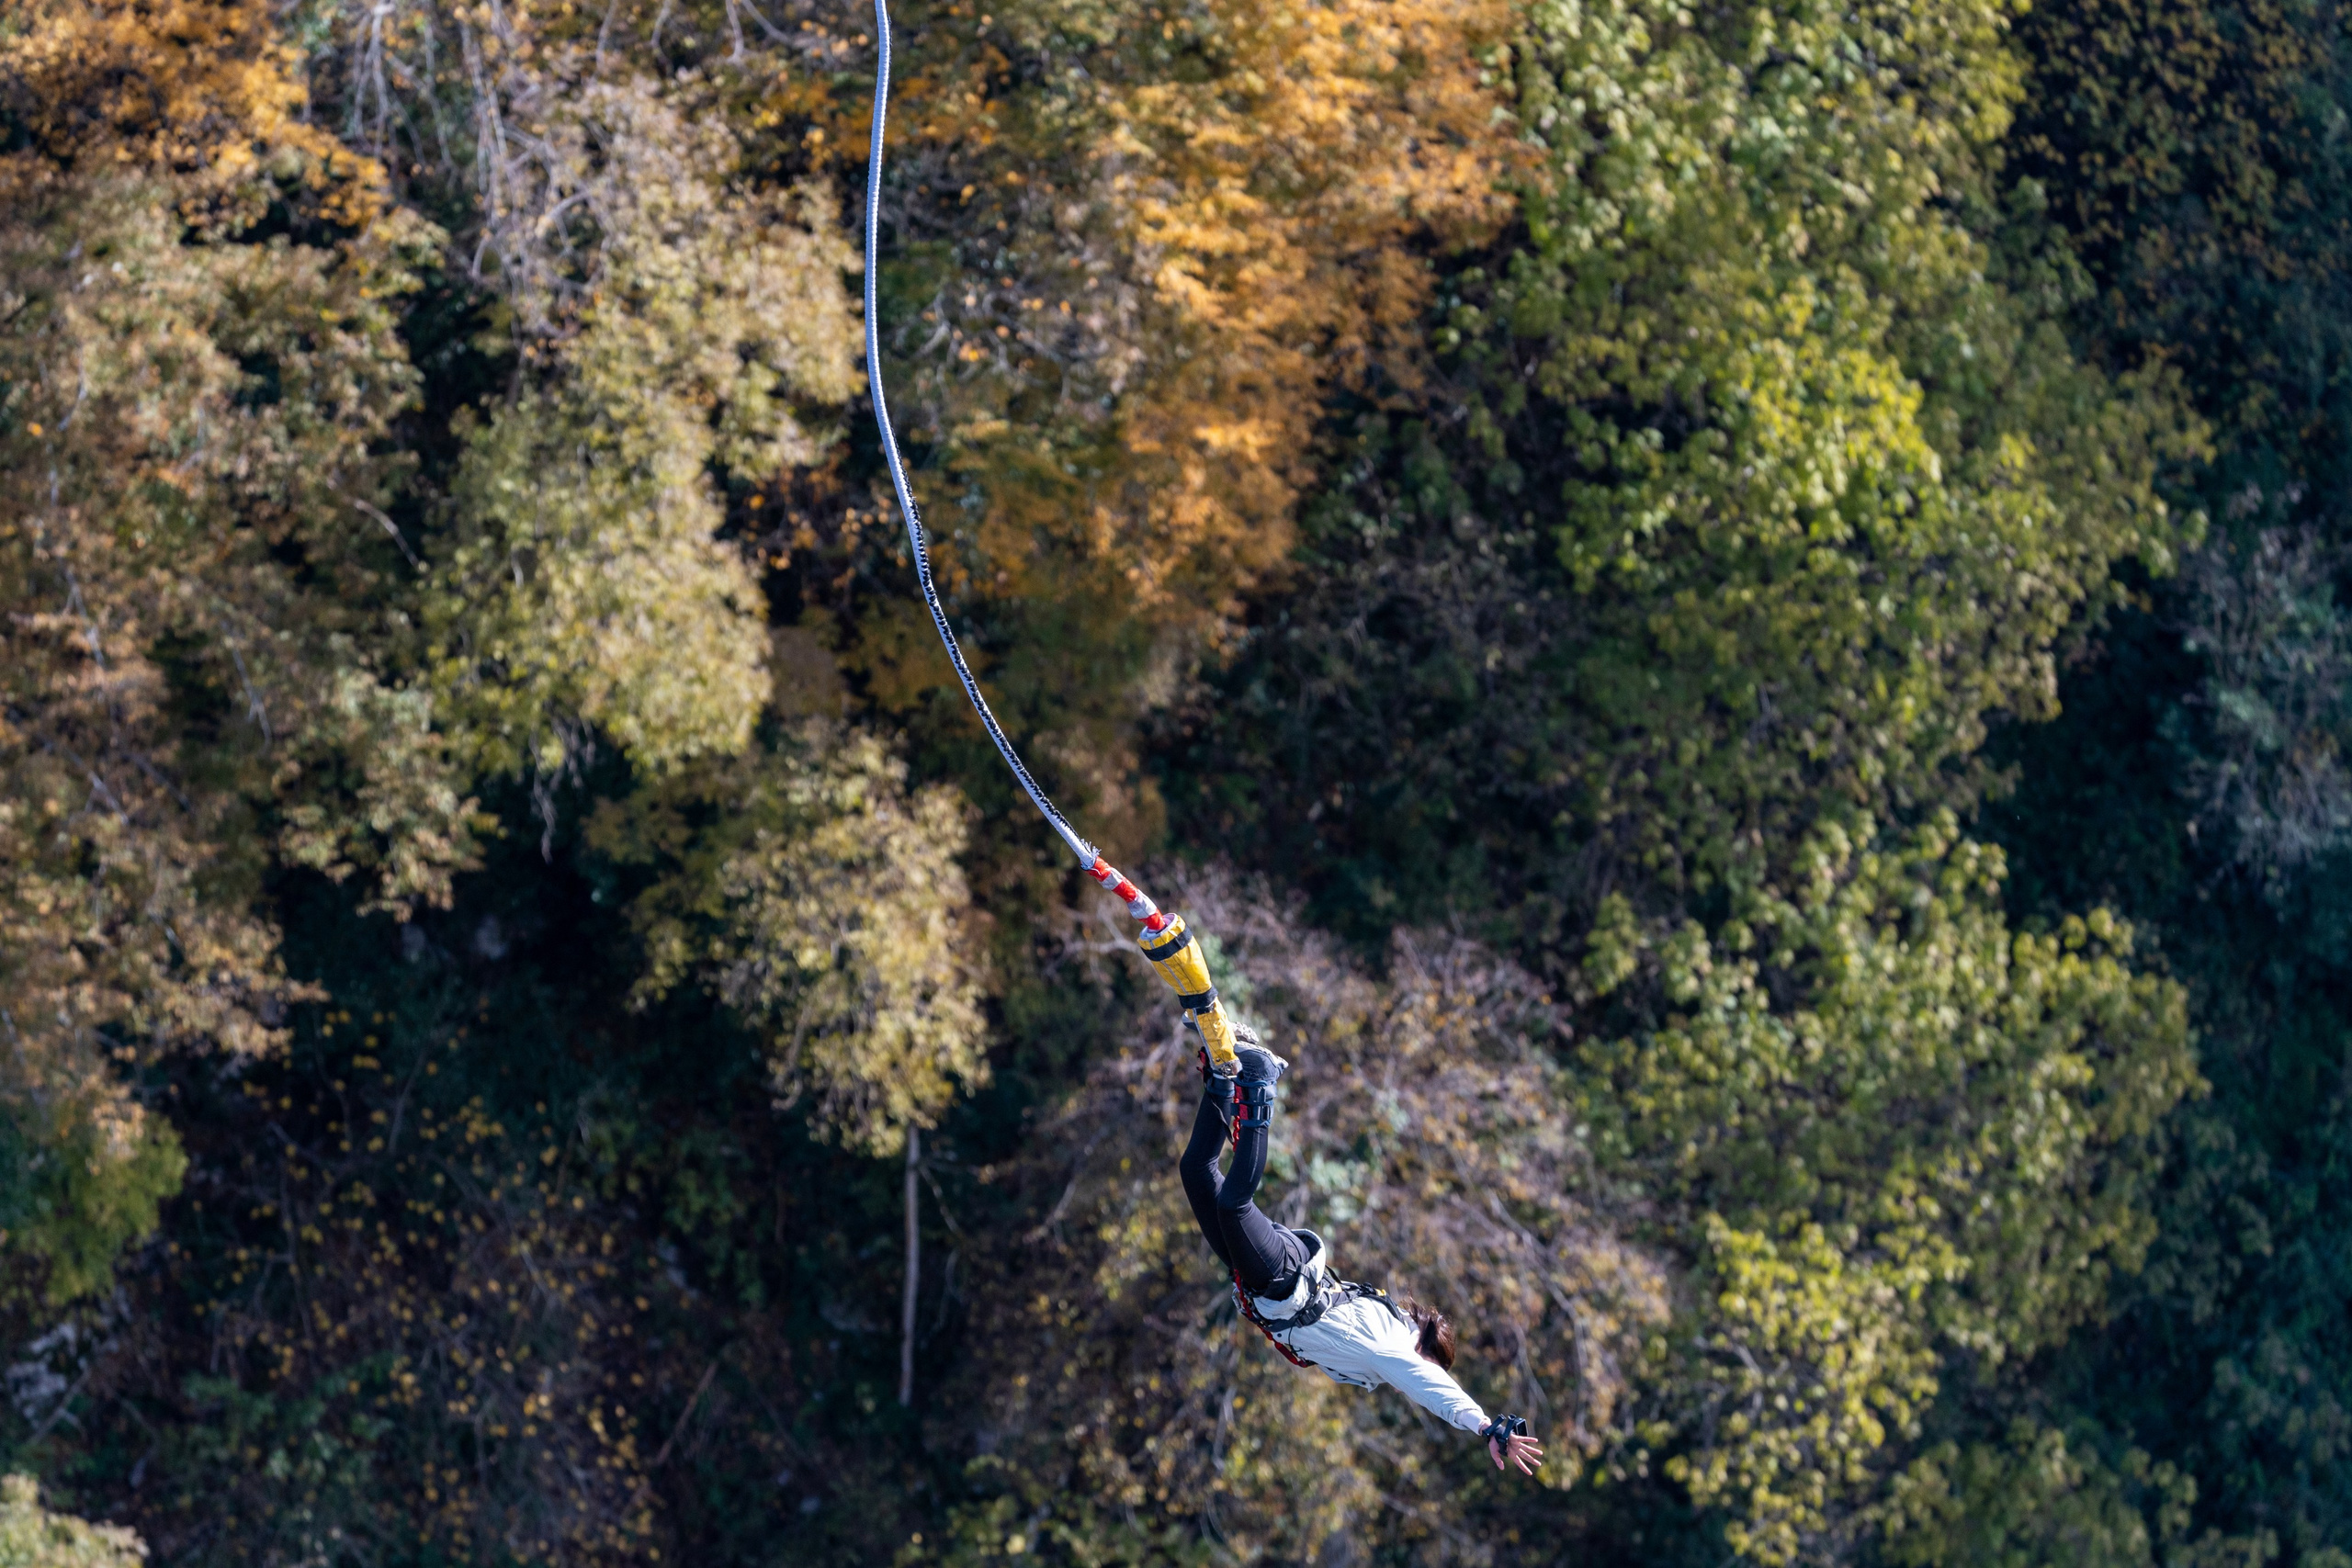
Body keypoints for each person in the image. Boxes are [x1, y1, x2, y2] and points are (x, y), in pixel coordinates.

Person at [1179, 1027, 1546, 1473]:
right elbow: (1430, 1385)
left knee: (1198, 1171)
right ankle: (1258, 1079)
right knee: (1234, 1206)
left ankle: (1222, 1080)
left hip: (1271, 1284)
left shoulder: (1387, 1334)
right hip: (1283, 1279)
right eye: (1426, 1367)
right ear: (1425, 1355)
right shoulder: (1394, 1348)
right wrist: (1485, 1426)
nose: (1409, 1380)